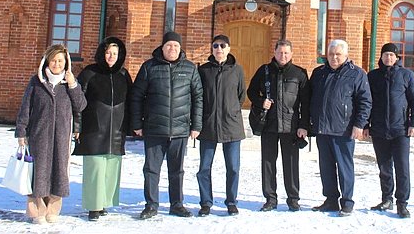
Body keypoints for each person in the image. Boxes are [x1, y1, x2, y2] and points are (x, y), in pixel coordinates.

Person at [129, 31, 203, 219]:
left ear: (180, 48)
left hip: (180, 129)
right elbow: (136, 96)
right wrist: (137, 123)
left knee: (177, 170)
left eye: (176, 46)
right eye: (169, 45)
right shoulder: (149, 67)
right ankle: (151, 204)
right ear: (162, 48)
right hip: (154, 128)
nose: (172, 49)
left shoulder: (190, 68)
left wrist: (196, 125)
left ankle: (177, 204)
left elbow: (198, 98)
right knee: (151, 169)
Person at [15, 44, 87, 224]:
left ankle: (53, 209)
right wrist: (21, 132)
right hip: (39, 134)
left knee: (58, 171)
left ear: (66, 63)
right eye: (54, 60)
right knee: (38, 173)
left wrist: (73, 84)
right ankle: (37, 211)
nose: (57, 64)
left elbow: (81, 106)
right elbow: (26, 108)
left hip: (61, 135)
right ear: (47, 61)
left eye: (60, 60)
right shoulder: (36, 81)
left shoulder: (69, 83)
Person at [309, 39, 372, 216]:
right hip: (322, 129)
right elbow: (310, 99)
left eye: (338, 54)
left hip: (344, 130)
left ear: (345, 55)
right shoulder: (319, 73)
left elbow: (365, 101)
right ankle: (330, 200)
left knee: (345, 167)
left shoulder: (357, 74)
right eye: (331, 54)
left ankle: (347, 201)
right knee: (326, 167)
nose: (334, 57)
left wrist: (359, 125)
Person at [72, 37, 133, 221]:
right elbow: (78, 102)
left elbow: (131, 102)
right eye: (108, 52)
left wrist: (131, 126)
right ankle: (93, 206)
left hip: (116, 129)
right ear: (102, 53)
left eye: (115, 53)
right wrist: (77, 126)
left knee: (111, 167)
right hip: (93, 129)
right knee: (95, 168)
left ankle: (104, 202)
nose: (111, 56)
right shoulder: (89, 72)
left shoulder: (123, 74)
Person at [247, 39, 310, 212]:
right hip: (269, 125)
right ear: (274, 52)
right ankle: (270, 198)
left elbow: (306, 103)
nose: (283, 55)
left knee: (291, 164)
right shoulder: (264, 71)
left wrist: (304, 125)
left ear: (291, 54)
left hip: (291, 127)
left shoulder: (299, 74)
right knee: (268, 163)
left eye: (286, 53)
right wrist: (261, 102)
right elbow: (251, 92)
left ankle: (293, 199)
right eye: (280, 52)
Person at [364, 43, 414, 219]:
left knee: (402, 168)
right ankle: (386, 199)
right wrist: (366, 125)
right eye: (385, 55)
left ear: (397, 58)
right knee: (384, 168)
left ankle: (402, 203)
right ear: (381, 57)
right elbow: (367, 102)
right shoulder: (373, 76)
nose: (388, 58)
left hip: (401, 130)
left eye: (391, 55)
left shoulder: (406, 75)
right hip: (379, 130)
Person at [196, 34, 246, 216]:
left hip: (231, 126)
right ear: (212, 49)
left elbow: (241, 95)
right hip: (208, 125)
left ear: (228, 48)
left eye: (222, 46)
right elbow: (198, 96)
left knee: (233, 167)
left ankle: (231, 202)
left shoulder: (237, 70)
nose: (219, 49)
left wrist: (230, 110)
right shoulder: (204, 70)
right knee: (204, 168)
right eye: (215, 46)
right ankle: (206, 202)